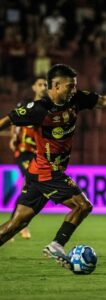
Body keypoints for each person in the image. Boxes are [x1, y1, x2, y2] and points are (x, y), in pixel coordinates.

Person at [0, 64, 106, 269]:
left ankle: (55, 244)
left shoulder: (76, 99)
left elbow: (105, 100)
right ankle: (57, 245)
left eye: (74, 86)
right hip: (48, 171)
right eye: (69, 86)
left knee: (15, 225)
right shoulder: (38, 109)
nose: (73, 90)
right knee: (83, 206)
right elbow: (8, 120)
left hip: (38, 172)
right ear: (56, 86)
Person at [9, 77, 48, 240]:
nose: (43, 87)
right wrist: (12, 138)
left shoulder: (47, 108)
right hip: (23, 151)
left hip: (37, 153)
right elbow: (14, 123)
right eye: (40, 84)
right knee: (29, 182)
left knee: (31, 188)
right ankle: (17, 225)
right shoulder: (25, 106)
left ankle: (14, 225)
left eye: (45, 85)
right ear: (33, 87)